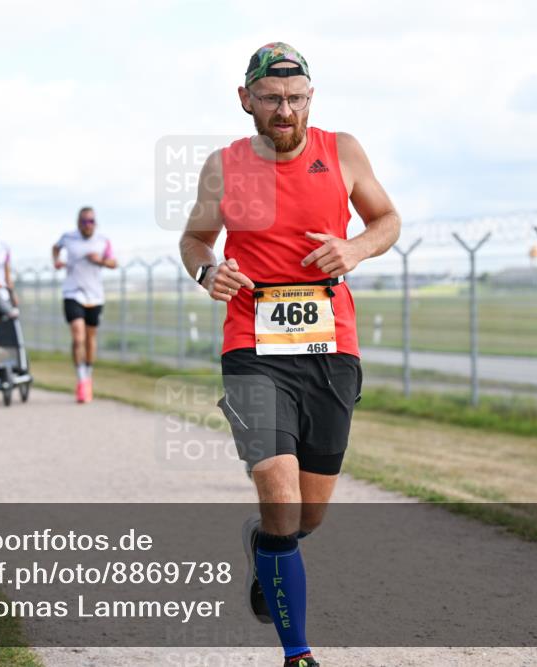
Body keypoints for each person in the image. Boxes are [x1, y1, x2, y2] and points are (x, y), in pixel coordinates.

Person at [179, 42, 401, 667]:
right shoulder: (224, 166)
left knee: (307, 515)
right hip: (252, 345)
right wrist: (207, 272)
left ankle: (269, 549)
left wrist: (355, 250)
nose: (285, 111)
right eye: (273, 99)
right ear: (245, 98)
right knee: (278, 494)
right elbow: (196, 239)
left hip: (331, 346)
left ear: (311, 98)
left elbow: (387, 220)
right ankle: (297, 653)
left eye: (297, 98)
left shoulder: (343, 151)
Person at [52, 206, 117, 403]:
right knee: (78, 336)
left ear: (95, 223)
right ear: (78, 222)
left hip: (95, 296)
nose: (87, 225)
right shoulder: (68, 238)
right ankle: (81, 380)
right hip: (72, 292)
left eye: (91, 221)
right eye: (84, 221)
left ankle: (88, 375)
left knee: (90, 338)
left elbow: (114, 263)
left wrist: (101, 261)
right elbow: (55, 248)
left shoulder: (102, 241)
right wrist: (57, 261)